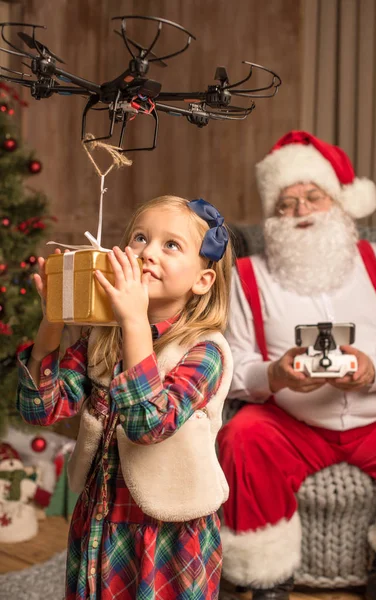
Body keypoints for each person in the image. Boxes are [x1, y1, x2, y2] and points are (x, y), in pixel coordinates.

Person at [17, 195, 233, 600]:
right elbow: (39, 408)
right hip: (100, 518)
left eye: (171, 245)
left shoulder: (205, 351)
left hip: (170, 530)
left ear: (203, 280)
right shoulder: (100, 339)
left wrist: (134, 322)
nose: (148, 252)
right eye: (139, 238)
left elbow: (148, 426)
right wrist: (52, 323)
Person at [217, 131, 376, 600]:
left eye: (312, 198)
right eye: (285, 204)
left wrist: (373, 370)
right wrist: (273, 375)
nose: (299, 213)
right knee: (242, 436)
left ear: (339, 204)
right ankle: (267, 580)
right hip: (292, 420)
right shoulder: (247, 277)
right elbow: (233, 365)